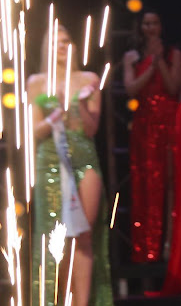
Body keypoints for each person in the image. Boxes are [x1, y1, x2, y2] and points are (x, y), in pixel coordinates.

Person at [28, 25, 112, 306]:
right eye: (56, 42)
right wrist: (56, 114)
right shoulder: (37, 82)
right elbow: (35, 131)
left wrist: (82, 106)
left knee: (84, 234)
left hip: (84, 157)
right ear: (47, 48)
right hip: (51, 159)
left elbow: (91, 129)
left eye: (66, 41)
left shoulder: (89, 79)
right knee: (58, 237)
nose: (62, 46)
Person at [123, 10, 181, 262]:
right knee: (145, 183)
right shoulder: (132, 56)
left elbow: (173, 86)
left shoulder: (173, 54)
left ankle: (169, 246)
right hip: (144, 125)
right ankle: (146, 248)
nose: (150, 28)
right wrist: (150, 64)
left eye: (154, 23)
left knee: (170, 181)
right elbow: (131, 89)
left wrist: (159, 61)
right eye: (146, 24)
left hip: (169, 124)